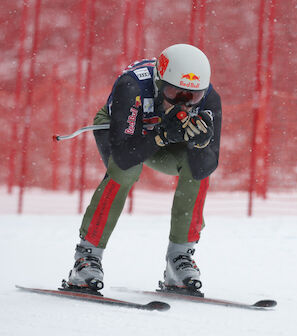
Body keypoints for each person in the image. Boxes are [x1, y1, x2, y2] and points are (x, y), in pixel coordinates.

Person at [64, 44, 222, 296]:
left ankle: (179, 258)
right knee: (125, 171)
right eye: (174, 93)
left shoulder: (209, 98)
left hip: (162, 137)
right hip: (127, 135)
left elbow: (208, 165)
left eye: (192, 97)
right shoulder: (133, 86)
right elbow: (125, 156)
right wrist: (160, 135)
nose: (184, 104)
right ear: (159, 83)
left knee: (196, 166)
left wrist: (201, 143)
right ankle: (86, 257)